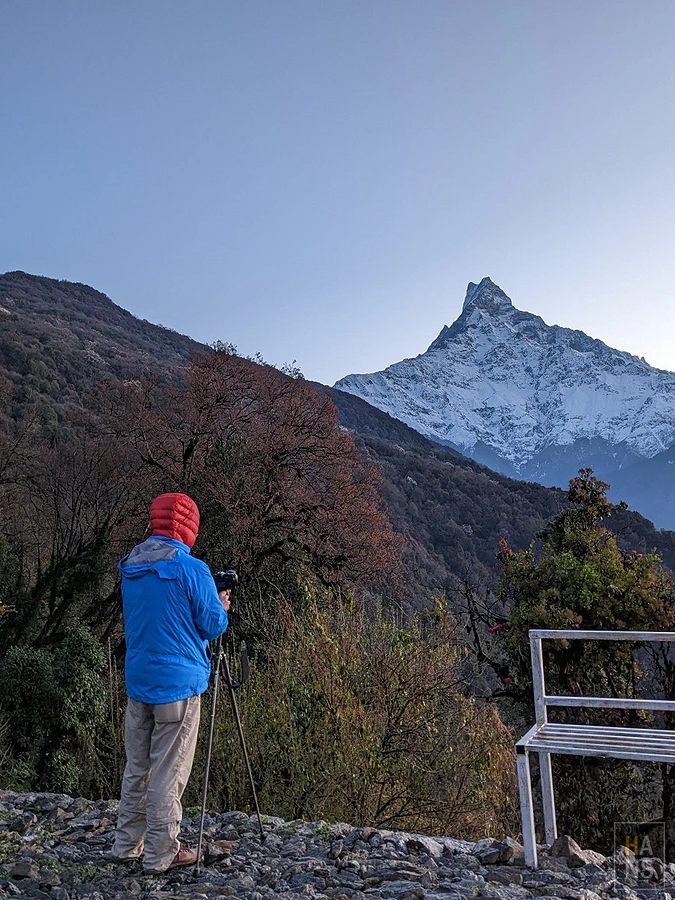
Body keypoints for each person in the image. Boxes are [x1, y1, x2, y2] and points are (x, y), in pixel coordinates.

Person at [111, 492, 231, 874]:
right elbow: (212, 625)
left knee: (137, 766)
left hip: (138, 680)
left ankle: (127, 844)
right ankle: (162, 852)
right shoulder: (192, 569)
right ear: (189, 527)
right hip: (178, 687)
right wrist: (221, 603)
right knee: (168, 771)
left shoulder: (131, 565)